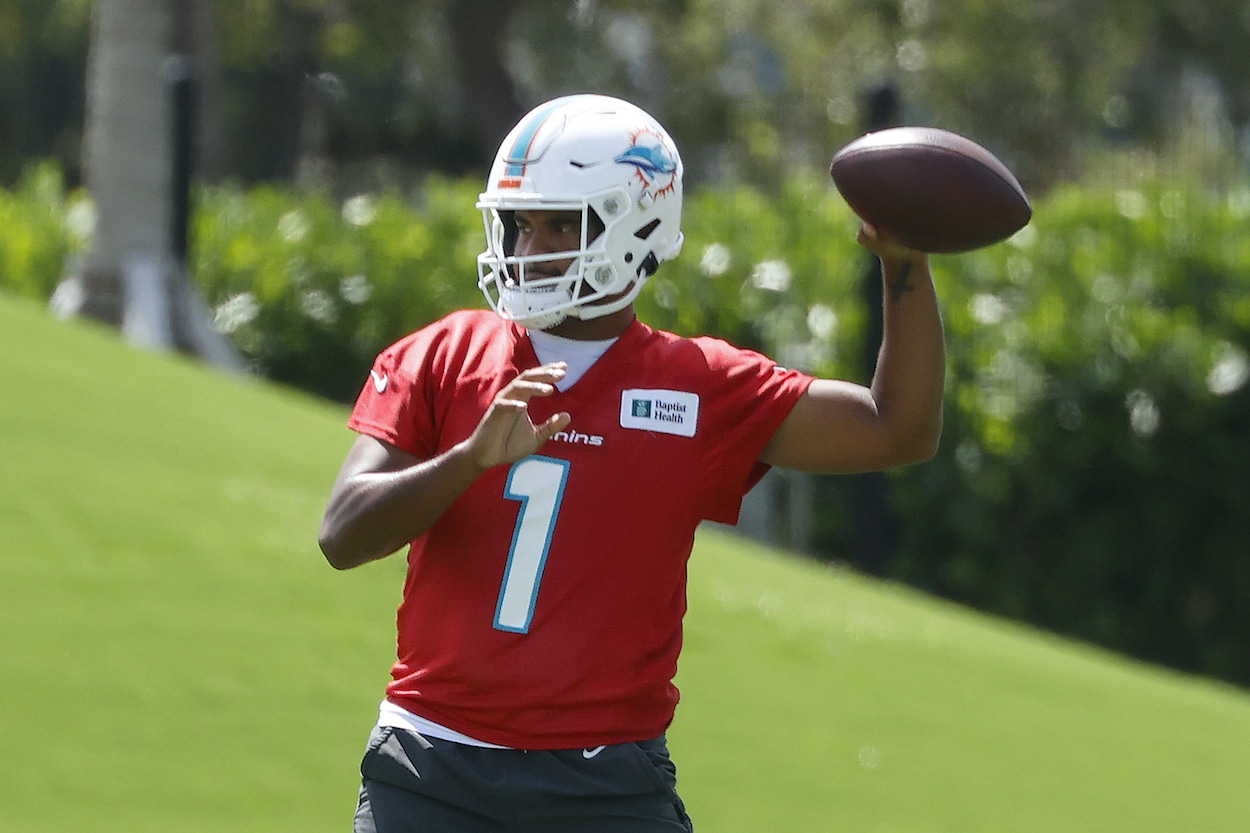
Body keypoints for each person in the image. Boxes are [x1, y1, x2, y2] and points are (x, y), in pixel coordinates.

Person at [319, 93, 944, 832]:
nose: (527, 248)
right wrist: (467, 459)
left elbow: (897, 429)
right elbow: (342, 533)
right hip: (431, 766)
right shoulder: (446, 352)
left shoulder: (699, 384)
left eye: (560, 223)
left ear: (634, 223)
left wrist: (905, 269)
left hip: (605, 778)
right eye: (521, 223)